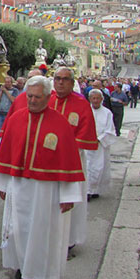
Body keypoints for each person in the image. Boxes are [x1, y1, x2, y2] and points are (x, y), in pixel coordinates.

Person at [0, 75, 84, 279]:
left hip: (46, 190)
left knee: (42, 233)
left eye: (37, 97)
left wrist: (68, 195)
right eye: (29, 96)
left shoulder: (60, 124)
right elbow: (6, 152)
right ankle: (23, 268)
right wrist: (2, 184)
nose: (32, 101)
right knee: (18, 230)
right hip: (19, 185)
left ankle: (41, 277)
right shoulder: (16, 119)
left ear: (48, 97)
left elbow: (69, 160)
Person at [49, 66, 98, 251]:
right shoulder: (47, 100)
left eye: (65, 79)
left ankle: (69, 241)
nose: (61, 82)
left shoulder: (81, 104)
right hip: (48, 161)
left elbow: (85, 134)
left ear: (72, 82)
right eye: (57, 78)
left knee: (69, 200)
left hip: (72, 162)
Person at [85, 89, 116, 200]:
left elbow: (110, 130)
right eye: (93, 98)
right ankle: (87, 190)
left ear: (102, 99)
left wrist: (99, 139)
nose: (95, 100)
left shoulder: (107, 113)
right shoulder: (85, 110)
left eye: (98, 98)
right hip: (87, 145)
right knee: (87, 167)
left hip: (100, 145)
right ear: (90, 99)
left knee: (99, 167)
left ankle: (96, 189)